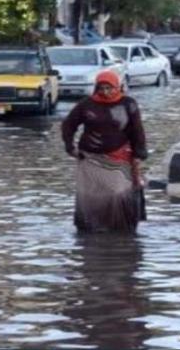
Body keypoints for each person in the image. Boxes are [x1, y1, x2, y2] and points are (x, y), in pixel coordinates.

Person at [61, 70, 148, 233]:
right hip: (90, 158)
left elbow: (137, 130)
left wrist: (139, 154)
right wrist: (70, 147)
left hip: (119, 156)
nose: (105, 92)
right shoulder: (87, 104)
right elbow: (68, 125)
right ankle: (92, 227)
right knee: (92, 195)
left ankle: (121, 228)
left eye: (109, 88)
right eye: (101, 88)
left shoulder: (128, 104)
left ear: (118, 87)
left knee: (117, 193)